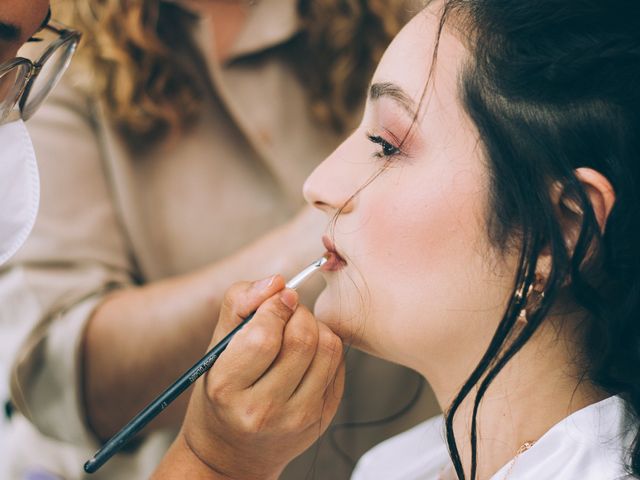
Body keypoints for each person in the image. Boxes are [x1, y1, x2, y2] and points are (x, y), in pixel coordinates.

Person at [150, 0, 640, 478]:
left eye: (386, 145)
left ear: (564, 229)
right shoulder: (399, 464)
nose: (318, 185)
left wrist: (214, 461)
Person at [2, 0, 438, 479]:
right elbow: (54, 377)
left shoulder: (409, 19)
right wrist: (324, 231)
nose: (319, 184)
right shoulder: (38, 45)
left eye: (386, 145)